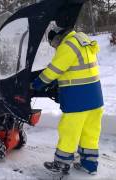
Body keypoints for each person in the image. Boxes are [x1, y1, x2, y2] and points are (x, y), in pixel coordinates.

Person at [30, 27, 104, 175]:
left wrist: (35, 84)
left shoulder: (68, 45)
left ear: (58, 38)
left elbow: (53, 70)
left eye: (54, 44)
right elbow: (76, 68)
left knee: (69, 132)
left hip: (78, 99)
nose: (55, 47)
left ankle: (62, 163)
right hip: (95, 97)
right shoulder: (82, 38)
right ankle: (89, 164)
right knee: (90, 133)